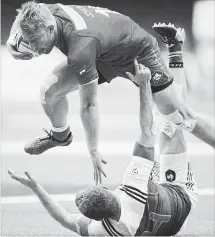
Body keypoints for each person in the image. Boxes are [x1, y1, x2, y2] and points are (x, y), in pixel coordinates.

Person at [6, 1, 215, 184]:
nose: (34, 48)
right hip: (103, 52)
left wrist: (93, 150)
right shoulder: (41, 13)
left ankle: (175, 50)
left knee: (179, 117)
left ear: (51, 29)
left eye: (36, 42)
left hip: (137, 53)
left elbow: (89, 104)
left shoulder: (80, 48)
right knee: (48, 92)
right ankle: (61, 136)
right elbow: (22, 17)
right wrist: (12, 43)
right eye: (29, 42)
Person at [8, 54, 199, 235]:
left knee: (154, 163)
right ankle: (175, 50)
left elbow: (65, 219)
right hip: (181, 194)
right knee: (171, 124)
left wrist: (36, 188)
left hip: (172, 223)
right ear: (106, 189)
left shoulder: (103, 231)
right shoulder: (133, 186)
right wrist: (144, 86)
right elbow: (148, 130)